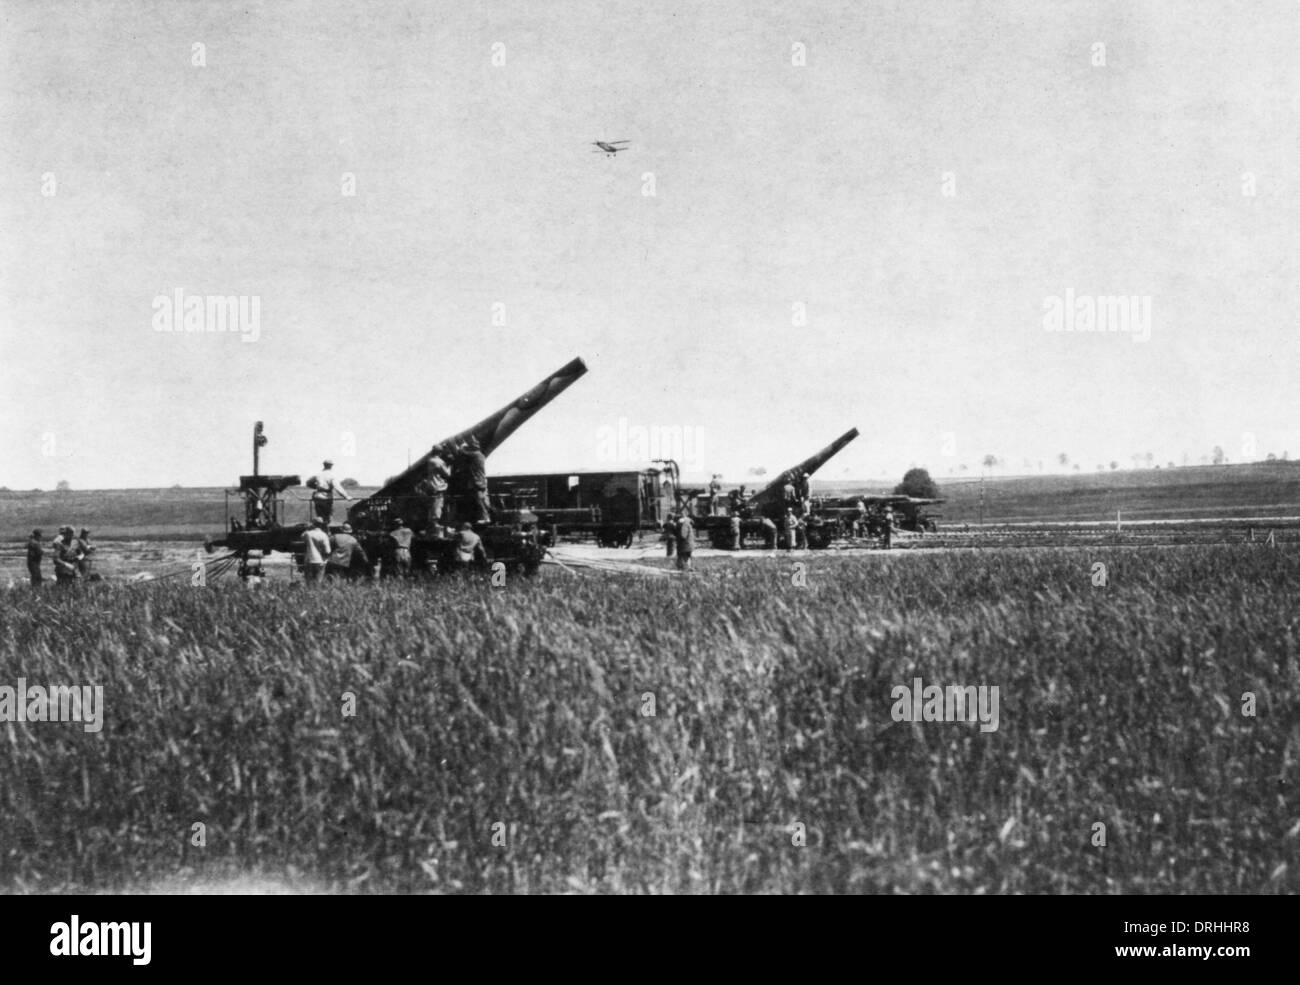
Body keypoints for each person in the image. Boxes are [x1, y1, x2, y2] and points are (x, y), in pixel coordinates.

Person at [415, 451, 451, 532]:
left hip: (430, 485)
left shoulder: (429, 460)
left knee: (432, 505)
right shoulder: (440, 461)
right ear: (440, 453)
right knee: (437, 504)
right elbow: (447, 474)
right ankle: (435, 523)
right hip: (438, 486)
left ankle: (432, 523)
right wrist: (449, 466)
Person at [307, 459, 351, 524]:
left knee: (320, 517)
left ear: (324, 465)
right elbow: (337, 487)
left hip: (318, 497)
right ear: (331, 466)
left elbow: (308, 483)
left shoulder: (318, 474)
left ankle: (320, 528)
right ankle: (326, 528)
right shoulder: (331, 475)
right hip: (327, 498)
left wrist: (317, 487)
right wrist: (346, 496)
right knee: (327, 517)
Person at [301, 518, 331, 583]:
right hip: (320, 561)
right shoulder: (324, 535)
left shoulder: (308, 534)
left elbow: (302, 536)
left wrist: (308, 528)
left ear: (313, 524)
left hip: (309, 560)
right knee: (318, 582)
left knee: (309, 582)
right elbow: (327, 551)